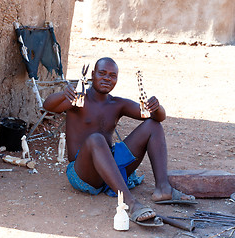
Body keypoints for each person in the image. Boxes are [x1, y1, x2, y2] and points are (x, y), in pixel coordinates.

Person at [43, 57, 195, 225]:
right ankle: (130, 203)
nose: (107, 78)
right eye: (102, 73)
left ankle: (163, 188)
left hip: (112, 168)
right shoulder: (78, 99)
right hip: (84, 173)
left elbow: (158, 116)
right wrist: (64, 94)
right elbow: (48, 106)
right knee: (96, 139)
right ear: (93, 75)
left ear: (117, 79)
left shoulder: (117, 104)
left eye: (112, 75)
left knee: (153, 125)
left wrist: (157, 107)